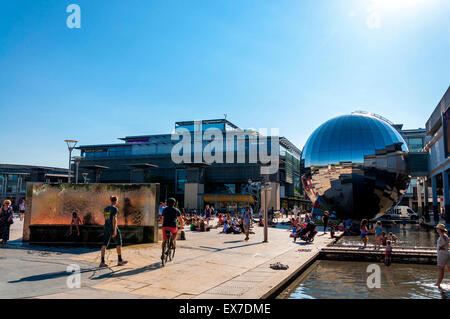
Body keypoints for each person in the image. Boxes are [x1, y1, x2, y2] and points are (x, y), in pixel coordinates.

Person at [99, 196, 128, 267]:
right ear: (115, 201)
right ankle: (120, 260)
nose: (117, 202)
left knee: (104, 244)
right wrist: (114, 230)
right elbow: (114, 219)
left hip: (106, 228)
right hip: (112, 227)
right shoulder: (115, 208)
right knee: (119, 243)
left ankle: (102, 262)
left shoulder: (106, 209)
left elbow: (106, 219)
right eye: (117, 201)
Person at [435, 223, 450, 288]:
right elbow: (448, 243)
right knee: (448, 268)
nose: (436, 229)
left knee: (441, 269)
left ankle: (438, 283)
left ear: (439, 229)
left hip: (442, 254)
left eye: (437, 228)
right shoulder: (446, 235)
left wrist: (441, 247)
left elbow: (443, 242)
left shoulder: (441, 235)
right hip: (447, 253)